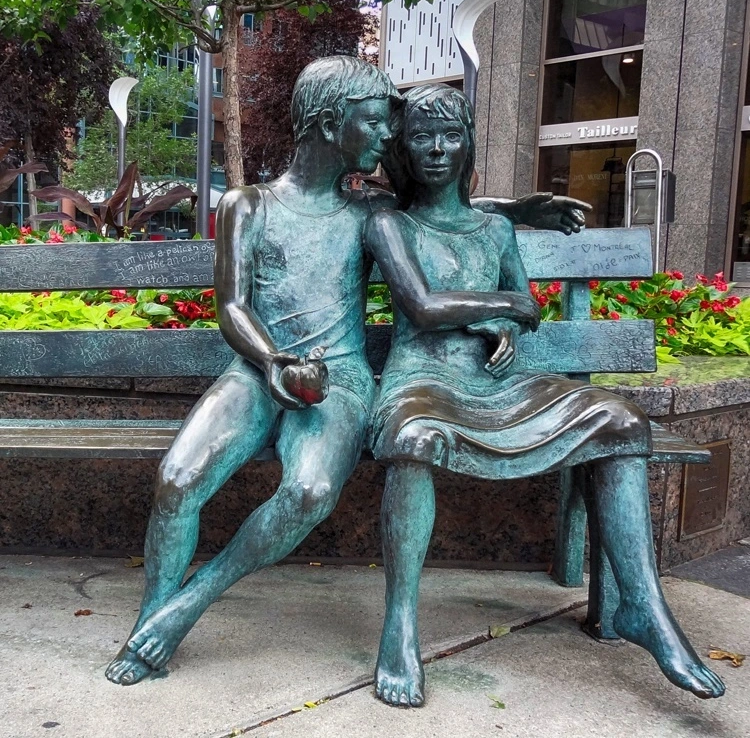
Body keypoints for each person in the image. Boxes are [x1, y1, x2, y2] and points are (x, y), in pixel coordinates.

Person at [105, 56, 590, 686]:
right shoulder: (247, 205)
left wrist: (517, 210)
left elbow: (435, 205)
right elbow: (232, 306)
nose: (390, 139)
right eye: (375, 125)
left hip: (340, 382)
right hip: (255, 371)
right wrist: (272, 361)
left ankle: (184, 607)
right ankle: (152, 621)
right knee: (175, 481)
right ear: (332, 126)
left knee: (308, 493)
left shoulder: (370, 213)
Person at [365, 84, 726, 707]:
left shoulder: (493, 230)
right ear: (401, 146)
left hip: (496, 384)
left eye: (451, 135)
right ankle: (400, 627)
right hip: (419, 381)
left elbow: (528, 304)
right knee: (413, 438)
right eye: (420, 136)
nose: (435, 149)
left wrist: (502, 319)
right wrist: (498, 308)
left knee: (619, 418)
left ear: (469, 143)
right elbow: (423, 309)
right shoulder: (388, 223)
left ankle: (643, 607)